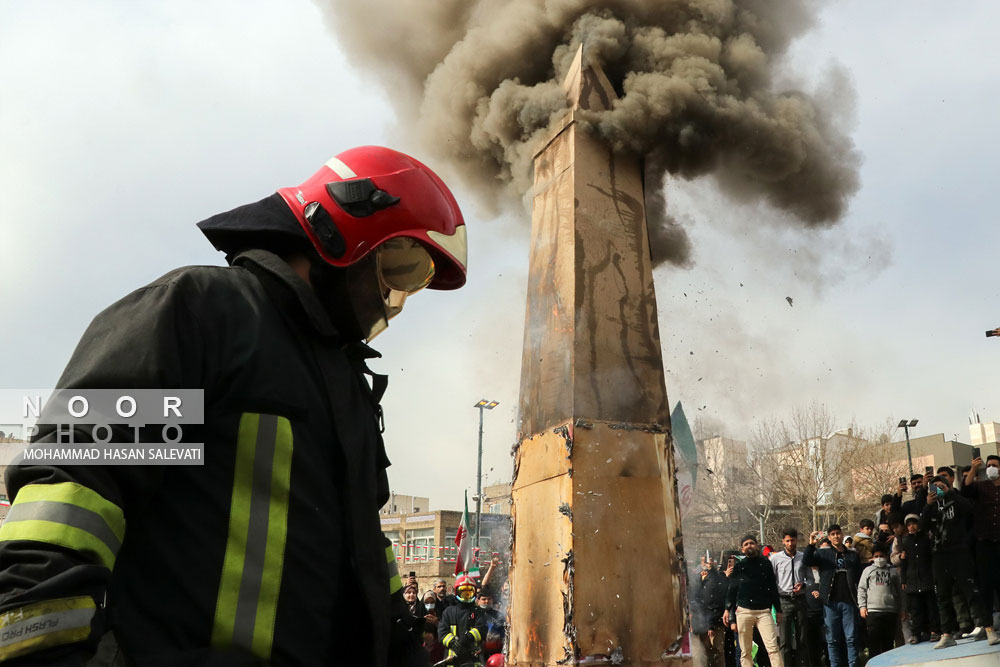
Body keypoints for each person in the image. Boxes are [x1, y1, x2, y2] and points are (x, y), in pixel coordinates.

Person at [0, 146, 468, 666]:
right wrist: (42, 651)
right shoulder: (204, 318)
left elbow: (367, 556)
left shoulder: (345, 384)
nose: (393, 298)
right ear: (339, 231)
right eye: (397, 269)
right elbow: (74, 490)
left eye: (413, 282)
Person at [920, 475, 998, 647]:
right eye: (935, 487)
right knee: (942, 595)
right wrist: (928, 503)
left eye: (941, 486)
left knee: (972, 592)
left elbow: (969, 509)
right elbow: (922, 526)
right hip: (939, 555)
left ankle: (989, 629)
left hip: (959, 553)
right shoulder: (931, 506)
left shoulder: (957, 502)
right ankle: (947, 634)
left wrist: (950, 493)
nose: (938, 489)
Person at [804, 525, 862, 667]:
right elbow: (807, 561)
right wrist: (811, 544)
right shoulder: (823, 554)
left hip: (849, 601)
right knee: (832, 639)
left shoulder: (852, 555)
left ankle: (853, 664)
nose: (836, 536)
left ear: (842, 535)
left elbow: (859, 577)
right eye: (833, 534)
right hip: (830, 602)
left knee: (851, 638)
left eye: (838, 533)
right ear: (829, 537)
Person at [724, 535, 784, 667]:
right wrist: (727, 609)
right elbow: (732, 589)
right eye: (746, 544)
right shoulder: (739, 566)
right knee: (745, 651)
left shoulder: (766, 564)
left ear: (757, 545)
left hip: (764, 612)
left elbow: (773, 588)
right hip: (744, 612)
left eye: (752, 543)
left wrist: (778, 610)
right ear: (742, 549)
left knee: (773, 648)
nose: (749, 546)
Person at [962, 454, 1000, 645]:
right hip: (984, 544)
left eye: (995, 465)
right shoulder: (981, 486)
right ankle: (989, 628)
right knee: (985, 587)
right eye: (989, 465)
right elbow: (966, 488)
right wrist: (973, 469)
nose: (992, 468)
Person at [769, 529, 812, 667]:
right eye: (787, 541)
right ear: (783, 541)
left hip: (800, 599)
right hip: (784, 600)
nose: (790, 543)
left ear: (796, 540)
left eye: (792, 540)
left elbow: (811, 579)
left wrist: (804, 585)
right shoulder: (775, 559)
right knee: (784, 641)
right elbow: (771, 581)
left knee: (802, 639)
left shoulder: (803, 557)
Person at [898, 513, 940, 643]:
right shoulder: (905, 541)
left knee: (931, 606)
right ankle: (916, 633)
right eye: (909, 525)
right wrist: (904, 580)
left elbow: (932, 559)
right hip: (912, 579)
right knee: (915, 609)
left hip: (927, 577)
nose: (912, 527)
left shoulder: (926, 539)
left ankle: (934, 631)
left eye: (914, 524)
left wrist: (934, 576)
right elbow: (904, 563)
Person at [857, 544, 902, 657]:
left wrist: (903, 609)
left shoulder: (893, 571)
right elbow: (861, 589)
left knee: (888, 644)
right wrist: (862, 606)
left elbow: (900, 592)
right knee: (874, 644)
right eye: (876, 556)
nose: (879, 558)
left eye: (881, 556)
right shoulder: (868, 570)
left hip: (890, 611)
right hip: (873, 611)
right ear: (873, 557)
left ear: (886, 556)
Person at [439, 574, 488, 666]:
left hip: (473, 659)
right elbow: (442, 632)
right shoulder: (449, 611)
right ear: (457, 592)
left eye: (469, 592)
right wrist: (453, 643)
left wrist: (469, 637)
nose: (466, 595)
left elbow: (482, 629)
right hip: (452, 661)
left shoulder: (478, 611)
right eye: (463, 592)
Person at [693, 556, 729, 667]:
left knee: (717, 651)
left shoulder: (715, 579)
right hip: (700, 623)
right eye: (704, 561)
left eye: (709, 561)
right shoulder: (696, 578)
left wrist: (710, 625)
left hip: (714, 622)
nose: (706, 564)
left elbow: (713, 602)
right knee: (704, 652)